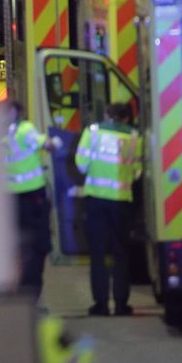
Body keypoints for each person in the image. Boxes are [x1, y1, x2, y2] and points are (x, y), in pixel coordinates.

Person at [75, 102, 142, 317]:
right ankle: (122, 304)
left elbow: (81, 164)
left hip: (96, 201)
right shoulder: (134, 138)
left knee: (98, 255)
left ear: (107, 115)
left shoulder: (92, 133)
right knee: (120, 254)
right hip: (121, 202)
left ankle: (101, 305)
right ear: (126, 118)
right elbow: (137, 172)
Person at [4, 101, 60, 301]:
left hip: (9, 200)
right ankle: (31, 291)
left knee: (16, 246)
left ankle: (14, 289)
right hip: (32, 197)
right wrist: (56, 143)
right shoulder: (24, 129)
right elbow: (45, 144)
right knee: (39, 245)